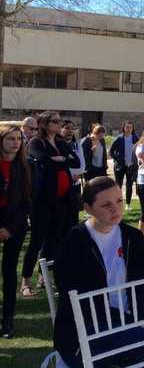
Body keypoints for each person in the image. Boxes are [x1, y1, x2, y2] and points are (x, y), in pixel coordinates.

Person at [53, 176, 144, 367]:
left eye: (119, 201)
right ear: (88, 208)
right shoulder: (74, 242)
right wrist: (127, 323)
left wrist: (141, 318)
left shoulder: (133, 238)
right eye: (106, 205)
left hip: (129, 325)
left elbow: (139, 285)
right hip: (86, 333)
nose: (115, 209)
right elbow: (71, 296)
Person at [21, 111, 80, 298]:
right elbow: (44, 161)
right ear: (44, 124)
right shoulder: (37, 142)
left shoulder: (61, 143)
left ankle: (44, 278)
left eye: (59, 121)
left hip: (62, 201)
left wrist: (59, 160)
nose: (58, 124)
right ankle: (25, 281)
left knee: (53, 242)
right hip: (43, 201)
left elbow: (75, 161)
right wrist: (62, 161)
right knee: (37, 241)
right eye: (55, 121)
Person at [0, 125, 31, 338]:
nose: (15, 142)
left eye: (18, 139)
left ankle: (8, 320)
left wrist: (9, 228)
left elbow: (27, 202)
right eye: (10, 138)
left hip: (15, 225)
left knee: (9, 273)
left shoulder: (24, 166)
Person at [60, 119, 85, 226]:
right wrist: (70, 174)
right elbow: (59, 167)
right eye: (67, 128)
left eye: (72, 128)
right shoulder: (57, 145)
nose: (70, 131)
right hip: (61, 186)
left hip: (74, 187)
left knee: (73, 219)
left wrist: (74, 173)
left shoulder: (77, 145)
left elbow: (82, 166)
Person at [109, 121, 138, 207]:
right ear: (124, 128)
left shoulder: (135, 138)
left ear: (132, 129)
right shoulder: (119, 138)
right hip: (120, 166)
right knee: (118, 185)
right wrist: (117, 160)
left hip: (130, 166)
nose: (129, 129)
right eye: (127, 127)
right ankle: (118, 203)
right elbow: (111, 151)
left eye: (130, 127)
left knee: (129, 185)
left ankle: (128, 204)